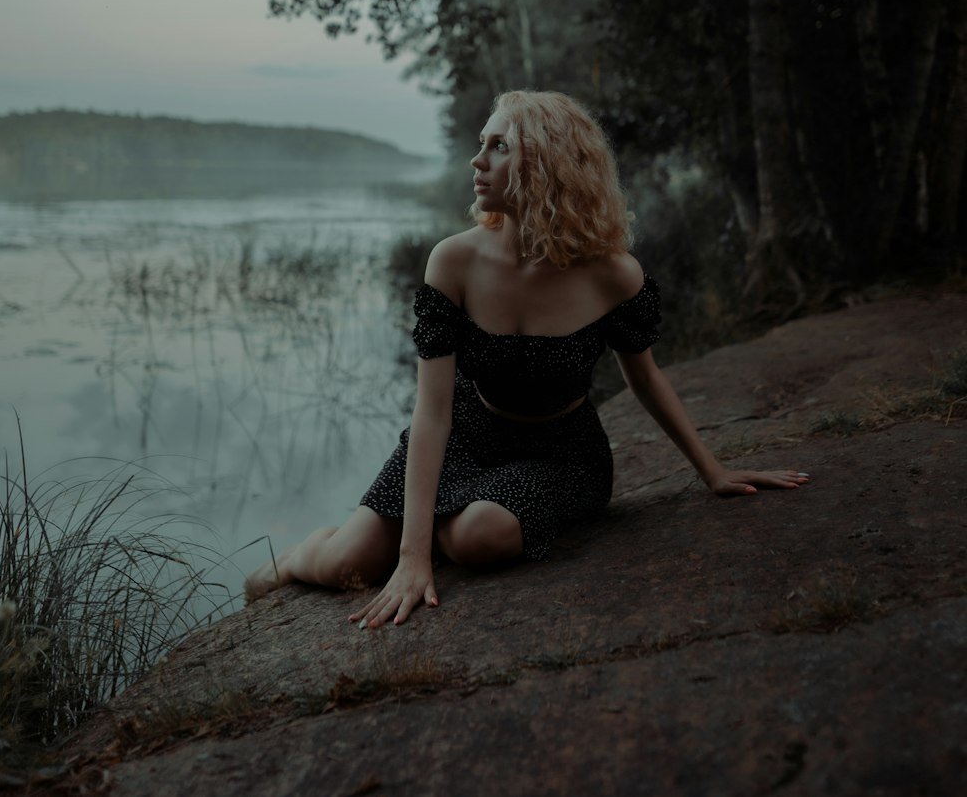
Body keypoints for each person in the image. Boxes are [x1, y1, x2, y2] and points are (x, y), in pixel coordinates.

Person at [244, 90, 809, 624]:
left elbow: (645, 379)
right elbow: (432, 413)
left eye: (498, 146)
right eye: (481, 143)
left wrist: (712, 470)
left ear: (547, 165)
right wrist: (411, 556)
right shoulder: (453, 262)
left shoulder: (613, 274)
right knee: (352, 563)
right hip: (467, 434)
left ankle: (446, 527)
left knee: (478, 538)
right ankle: (290, 560)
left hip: (561, 453)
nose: (476, 160)